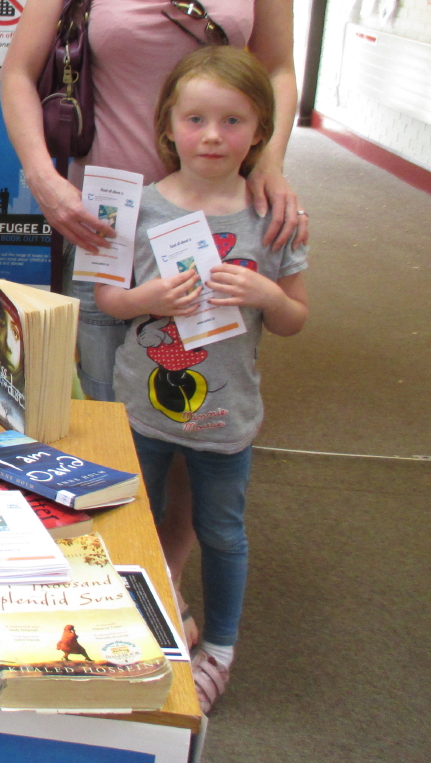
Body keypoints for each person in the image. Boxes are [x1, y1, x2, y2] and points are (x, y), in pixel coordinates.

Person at [0, 0, 307, 644]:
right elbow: (18, 75)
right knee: (106, 420)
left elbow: (280, 68)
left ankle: (158, 606)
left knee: (198, 412)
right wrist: (46, 180)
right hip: (110, 222)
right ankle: (119, 599)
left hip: (216, 220)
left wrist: (275, 159)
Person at [93, 47, 308, 714]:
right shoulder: (141, 209)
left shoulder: (274, 218)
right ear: (169, 126)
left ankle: (219, 647)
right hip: (142, 410)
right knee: (133, 521)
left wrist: (266, 295)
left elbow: (296, 317)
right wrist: (148, 296)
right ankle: (146, 622)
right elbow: (107, 302)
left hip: (228, 417)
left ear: (261, 132)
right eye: (196, 119)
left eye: (233, 121)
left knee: (222, 531)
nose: (213, 135)